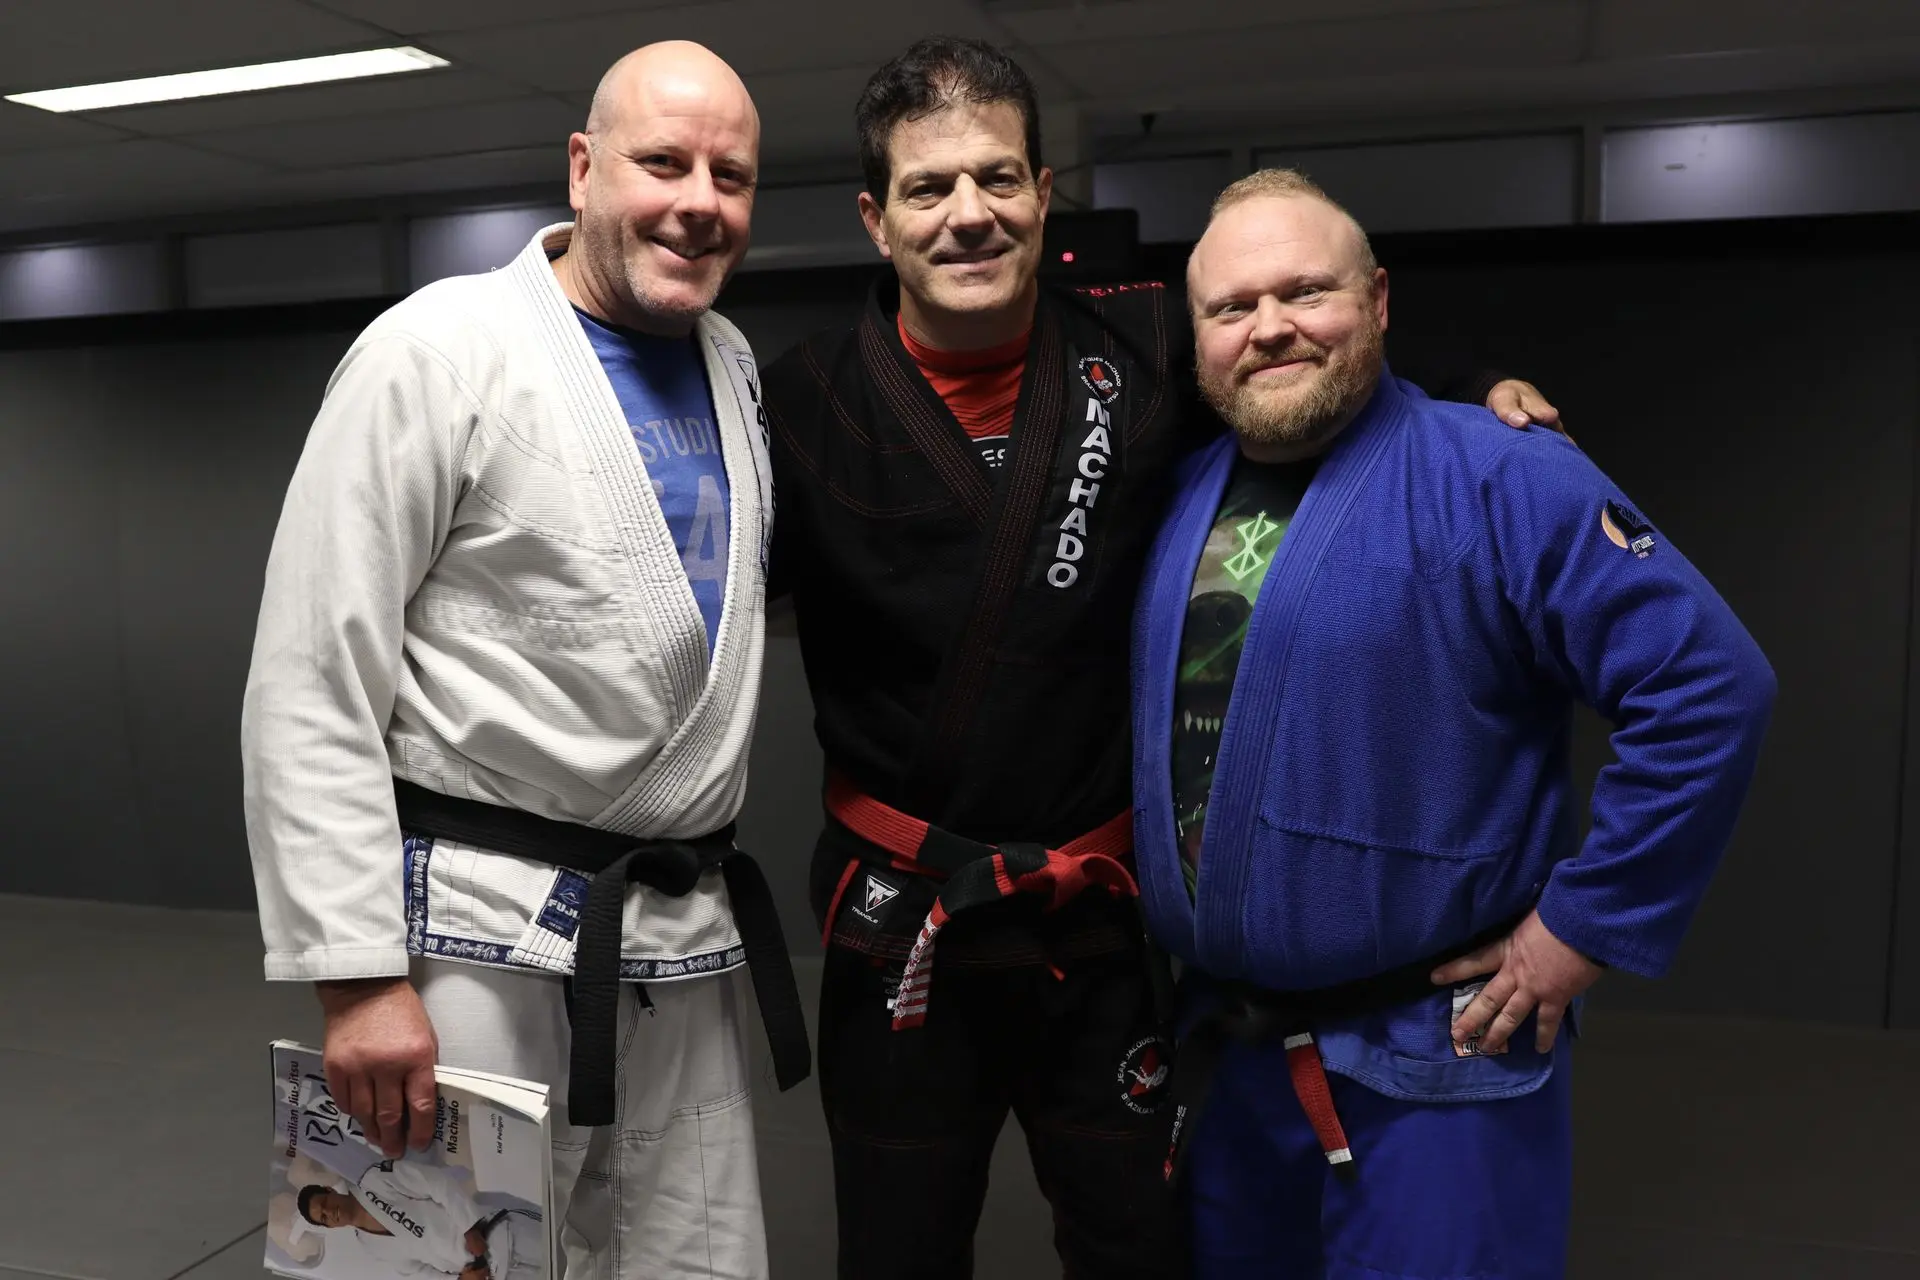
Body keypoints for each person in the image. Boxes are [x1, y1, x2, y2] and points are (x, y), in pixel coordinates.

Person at [758, 36, 1561, 1279]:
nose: (968, 214)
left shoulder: (1141, 348)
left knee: (1140, 1244)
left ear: (1042, 190)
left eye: (998, 177)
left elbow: (1309, 361)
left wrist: (1476, 384)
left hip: (1098, 929)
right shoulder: (799, 403)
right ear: (876, 217)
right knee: (894, 1251)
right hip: (900, 924)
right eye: (928, 188)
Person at [1129, 168, 1777, 1279]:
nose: (1270, 327)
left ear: (1378, 301)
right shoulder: (1181, 489)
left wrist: (1581, 925)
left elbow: (1710, 683)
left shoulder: (1501, 473)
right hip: (1232, 1060)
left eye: (1306, 292)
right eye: (1232, 308)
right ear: (1196, 341)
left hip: (1434, 1064)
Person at [242, 40, 807, 1280]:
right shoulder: (437, 351)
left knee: (694, 1257)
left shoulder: (733, 365)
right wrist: (355, 975)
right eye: (663, 161)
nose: (699, 200)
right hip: (471, 934)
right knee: (449, 1260)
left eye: (733, 174)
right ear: (582, 168)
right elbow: (310, 670)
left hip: (678, 923)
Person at [298, 1165, 493, 1280]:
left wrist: (470, 1227)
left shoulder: (374, 1180)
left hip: (492, 1232)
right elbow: (418, 1272)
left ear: (329, 1190)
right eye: (324, 1218)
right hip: (482, 1272)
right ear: (330, 1227)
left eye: (324, 1203)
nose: (330, 1212)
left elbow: (436, 1182)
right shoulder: (370, 1245)